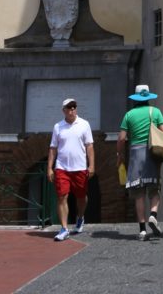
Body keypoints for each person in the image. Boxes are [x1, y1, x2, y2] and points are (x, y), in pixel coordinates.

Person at [117, 84, 163, 241]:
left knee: (138, 194)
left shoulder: (129, 115)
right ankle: (153, 215)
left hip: (135, 154)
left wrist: (119, 154)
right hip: (151, 153)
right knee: (155, 190)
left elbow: (121, 138)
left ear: (136, 99)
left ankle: (142, 230)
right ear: (148, 98)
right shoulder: (155, 112)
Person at [47, 97, 94, 242]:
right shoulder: (58, 127)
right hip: (62, 167)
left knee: (81, 197)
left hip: (79, 167)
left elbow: (89, 146)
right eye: (69, 107)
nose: (72, 110)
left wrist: (91, 165)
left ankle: (80, 217)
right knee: (62, 196)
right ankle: (64, 228)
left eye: (74, 107)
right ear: (64, 111)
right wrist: (50, 167)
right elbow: (53, 148)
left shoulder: (84, 125)